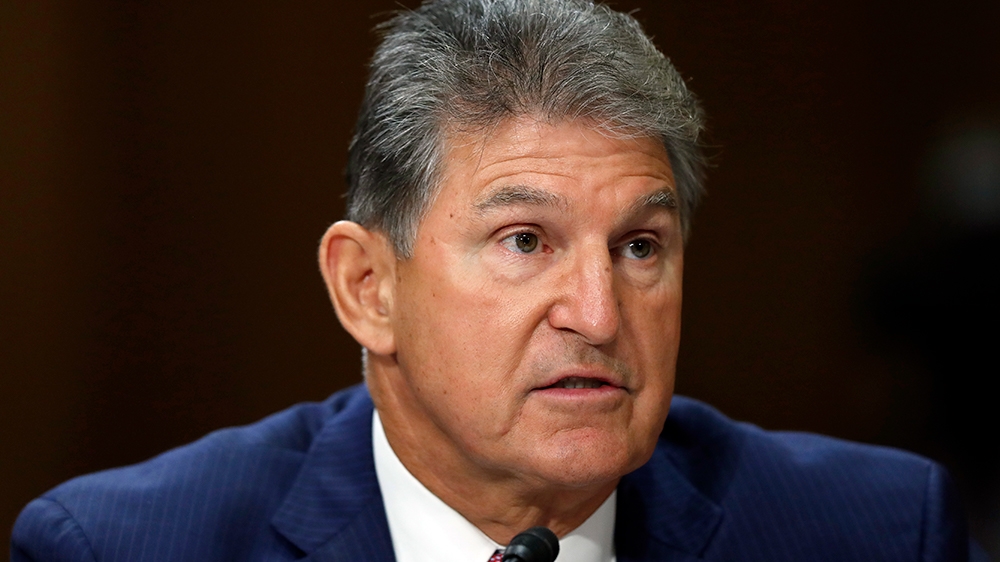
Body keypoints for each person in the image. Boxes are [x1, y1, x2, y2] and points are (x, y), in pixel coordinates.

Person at [10, 0, 987, 560]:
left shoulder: (874, 531)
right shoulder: (124, 547)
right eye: (525, 240)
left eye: (638, 246)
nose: (598, 314)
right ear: (367, 288)